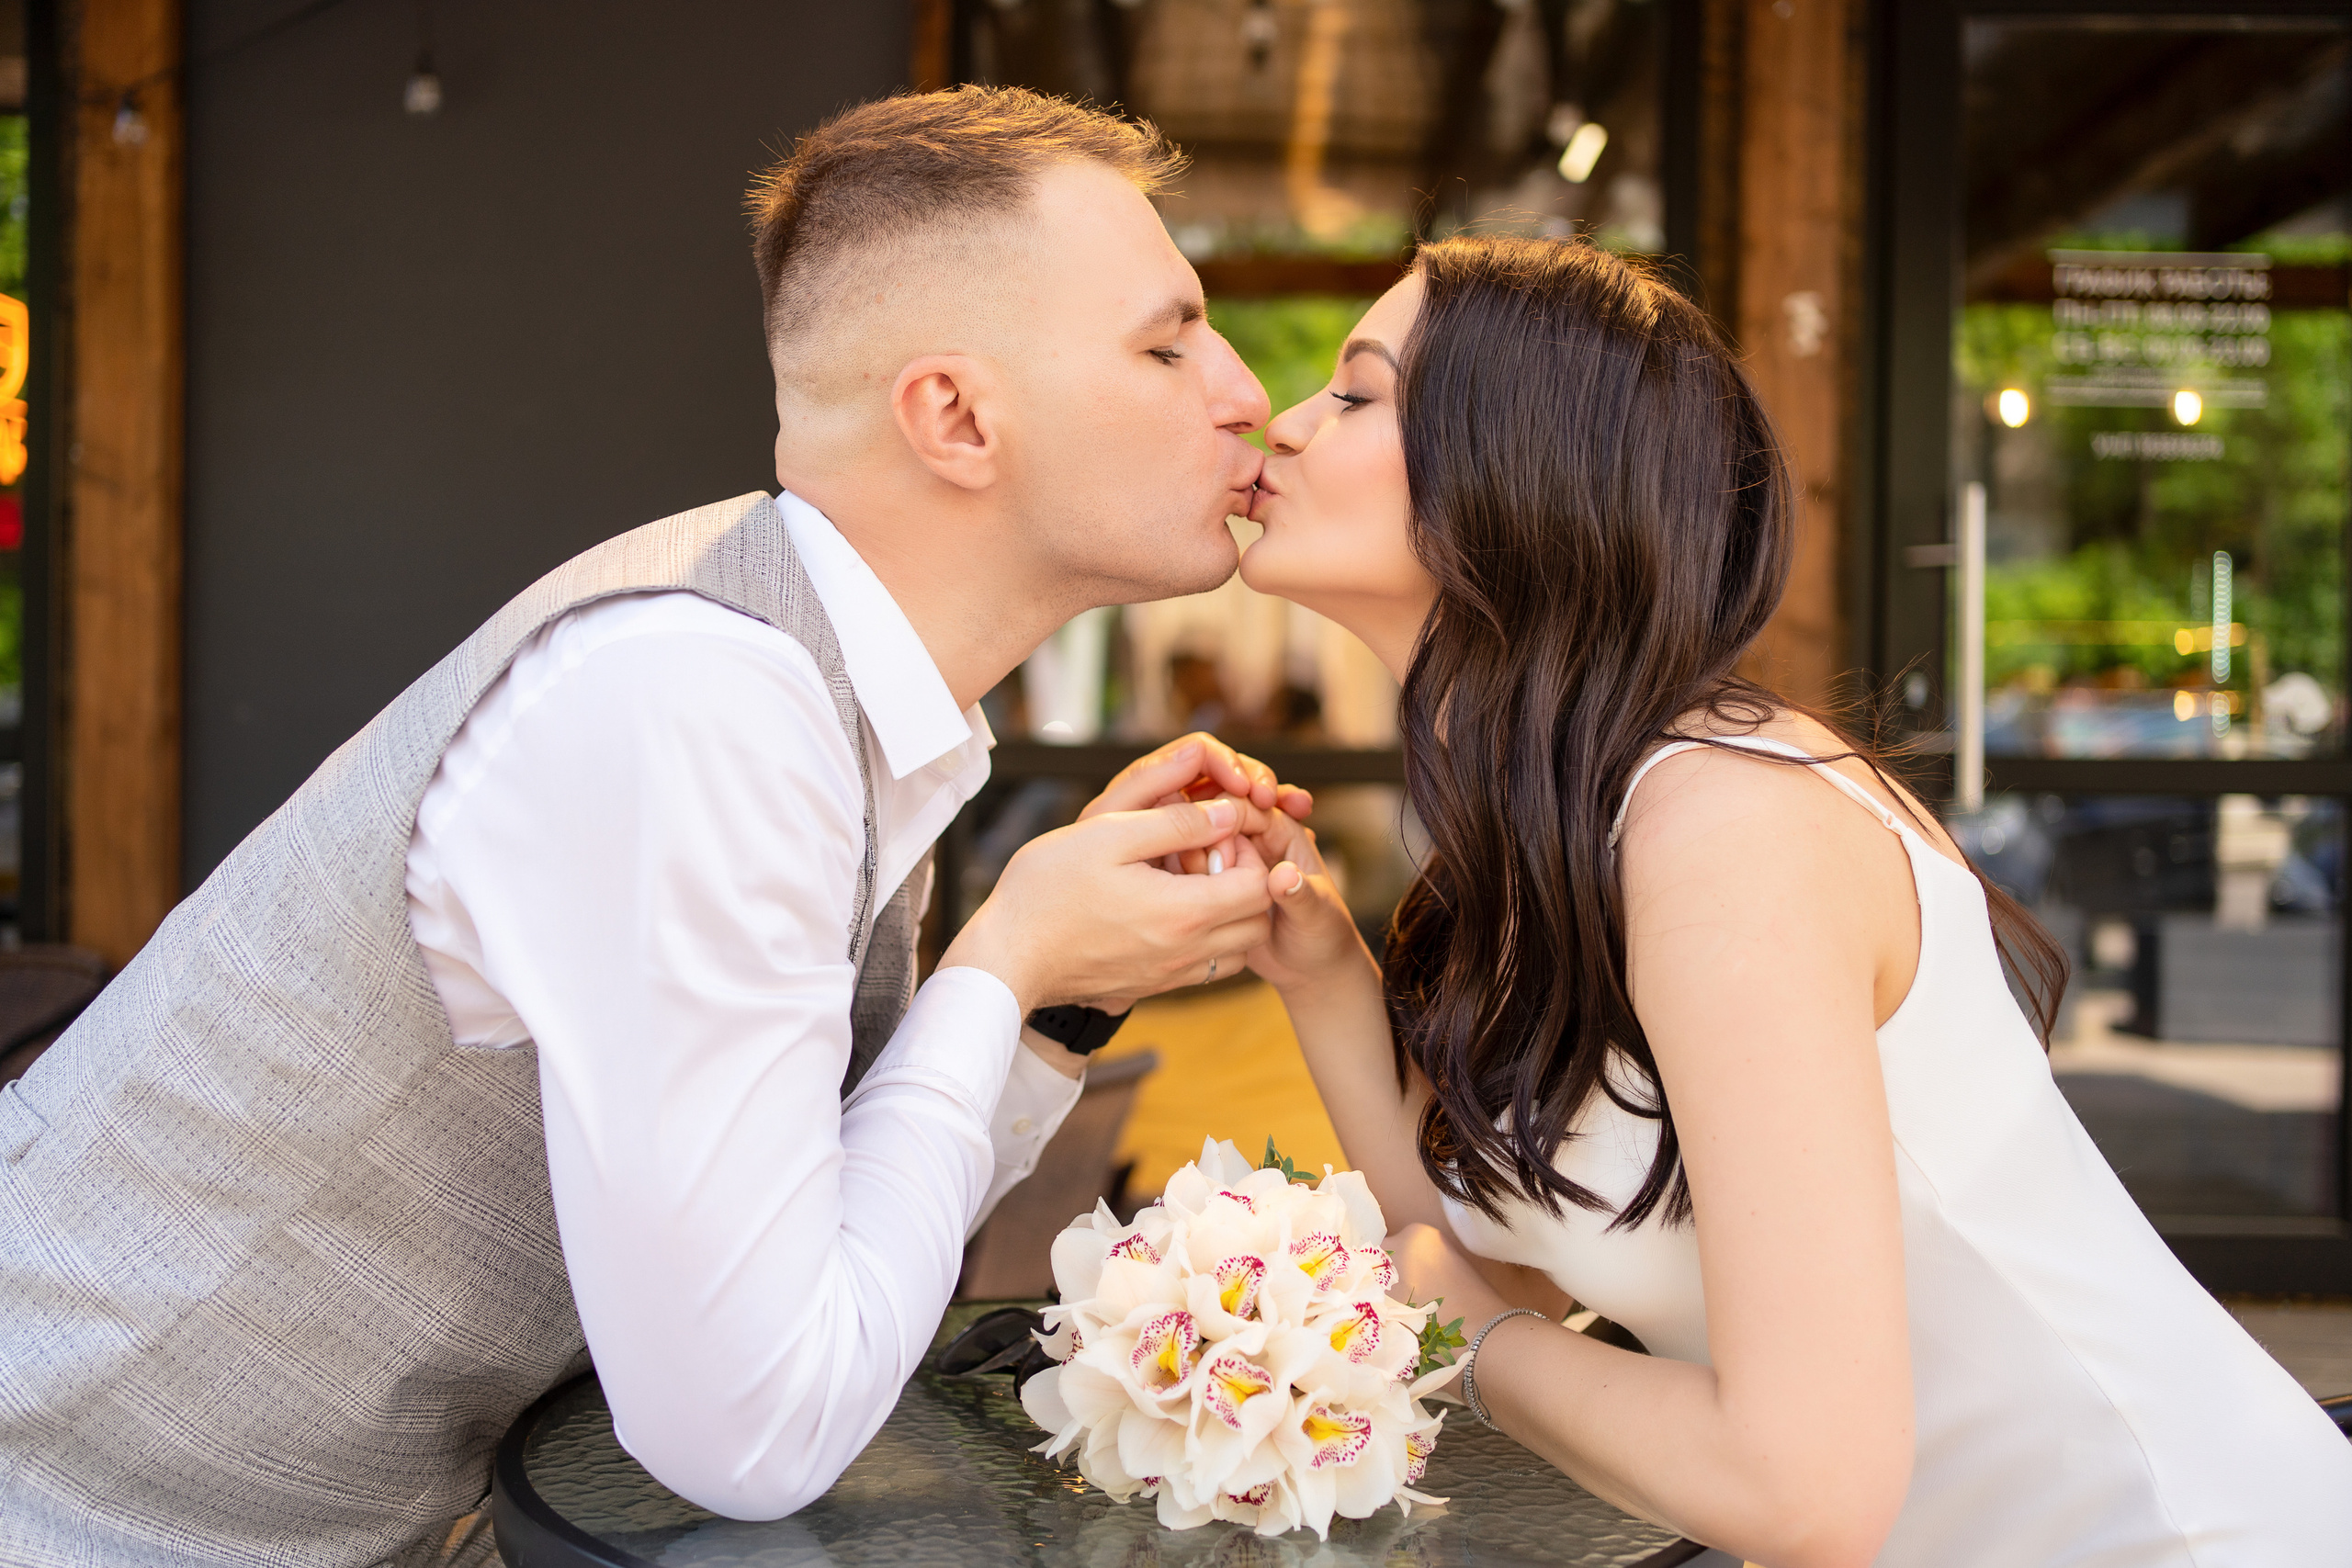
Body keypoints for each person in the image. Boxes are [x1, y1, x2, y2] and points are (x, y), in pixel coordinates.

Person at [0, 87, 1304, 1568]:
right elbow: (750, 1430)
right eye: (1166, 340)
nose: (1244, 393)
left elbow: (816, 1256)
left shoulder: (828, 694)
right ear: (955, 415)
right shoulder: (701, 702)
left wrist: (1055, 987)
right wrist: (1003, 960)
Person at [1185, 233, 2352, 1565]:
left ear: (1516, 475)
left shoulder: (1724, 827)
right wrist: (1320, 963)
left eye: (1356, 392)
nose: (1283, 420)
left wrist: (1473, 1334)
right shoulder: (1543, 839)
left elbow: (1797, 1488)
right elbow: (1477, 1256)